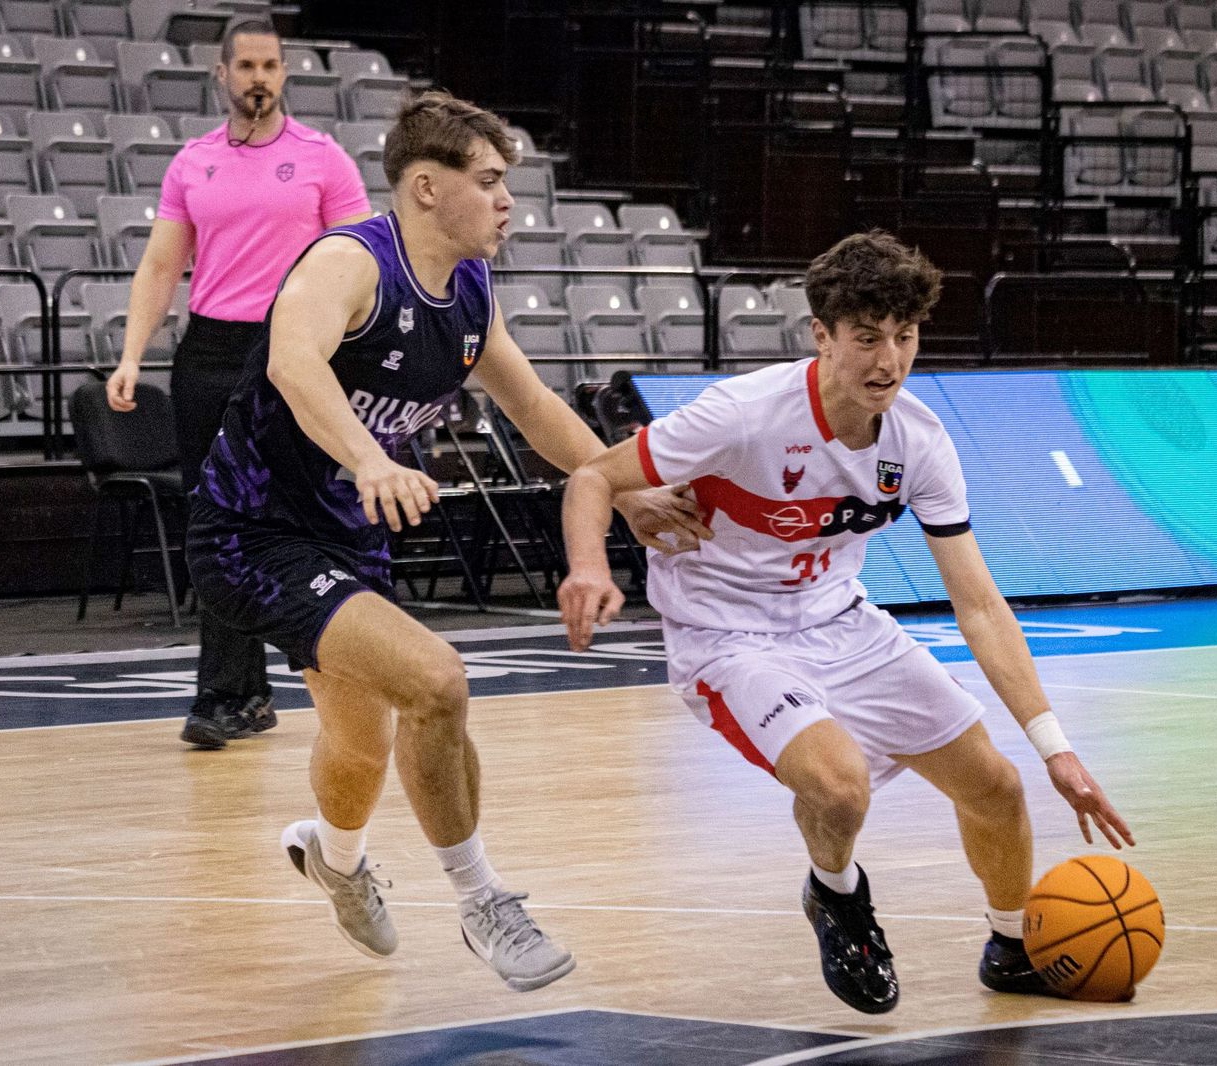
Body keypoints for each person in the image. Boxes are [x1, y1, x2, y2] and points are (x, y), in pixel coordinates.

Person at [183, 91, 708, 991]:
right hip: (252, 532)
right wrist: (368, 460)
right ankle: (483, 901)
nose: (509, 201)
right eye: (491, 181)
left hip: (348, 541)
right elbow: (291, 361)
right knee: (437, 682)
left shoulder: (469, 289)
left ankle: (336, 861)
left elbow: (537, 408)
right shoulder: (350, 262)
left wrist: (627, 495)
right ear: (426, 187)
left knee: (361, 745)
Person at [555, 230, 1136, 1014]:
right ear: (822, 336)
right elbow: (593, 475)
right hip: (728, 638)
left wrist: (1056, 750)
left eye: (905, 337)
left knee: (997, 786)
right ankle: (835, 892)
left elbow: (978, 603)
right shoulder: (743, 414)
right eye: (867, 338)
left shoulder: (919, 443)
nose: (888, 360)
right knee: (839, 789)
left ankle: (1010, 947)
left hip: (842, 624)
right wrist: (589, 567)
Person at [106, 19, 373, 750]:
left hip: (295, 348)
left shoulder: (324, 159)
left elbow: (359, 265)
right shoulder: (192, 163)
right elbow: (161, 266)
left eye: (272, 65)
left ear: (284, 75)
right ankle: (232, 693)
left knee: (303, 513)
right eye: (247, 65)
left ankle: (340, 666)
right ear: (221, 74)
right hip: (208, 350)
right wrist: (132, 355)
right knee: (214, 520)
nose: (260, 77)